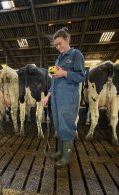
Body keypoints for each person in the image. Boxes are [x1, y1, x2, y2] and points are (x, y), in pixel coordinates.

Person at [43, 27, 86, 168]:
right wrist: (48, 96)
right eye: (56, 45)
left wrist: (65, 73)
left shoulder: (75, 54)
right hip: (55, 99)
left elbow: (81, 76)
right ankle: (60, 152)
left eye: (60, 43)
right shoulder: (58, 59)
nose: (58, 47)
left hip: (68, 99)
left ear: (67, 40)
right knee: (59, 125)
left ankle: (66, 157)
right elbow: (54, 81)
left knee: (67, 125)